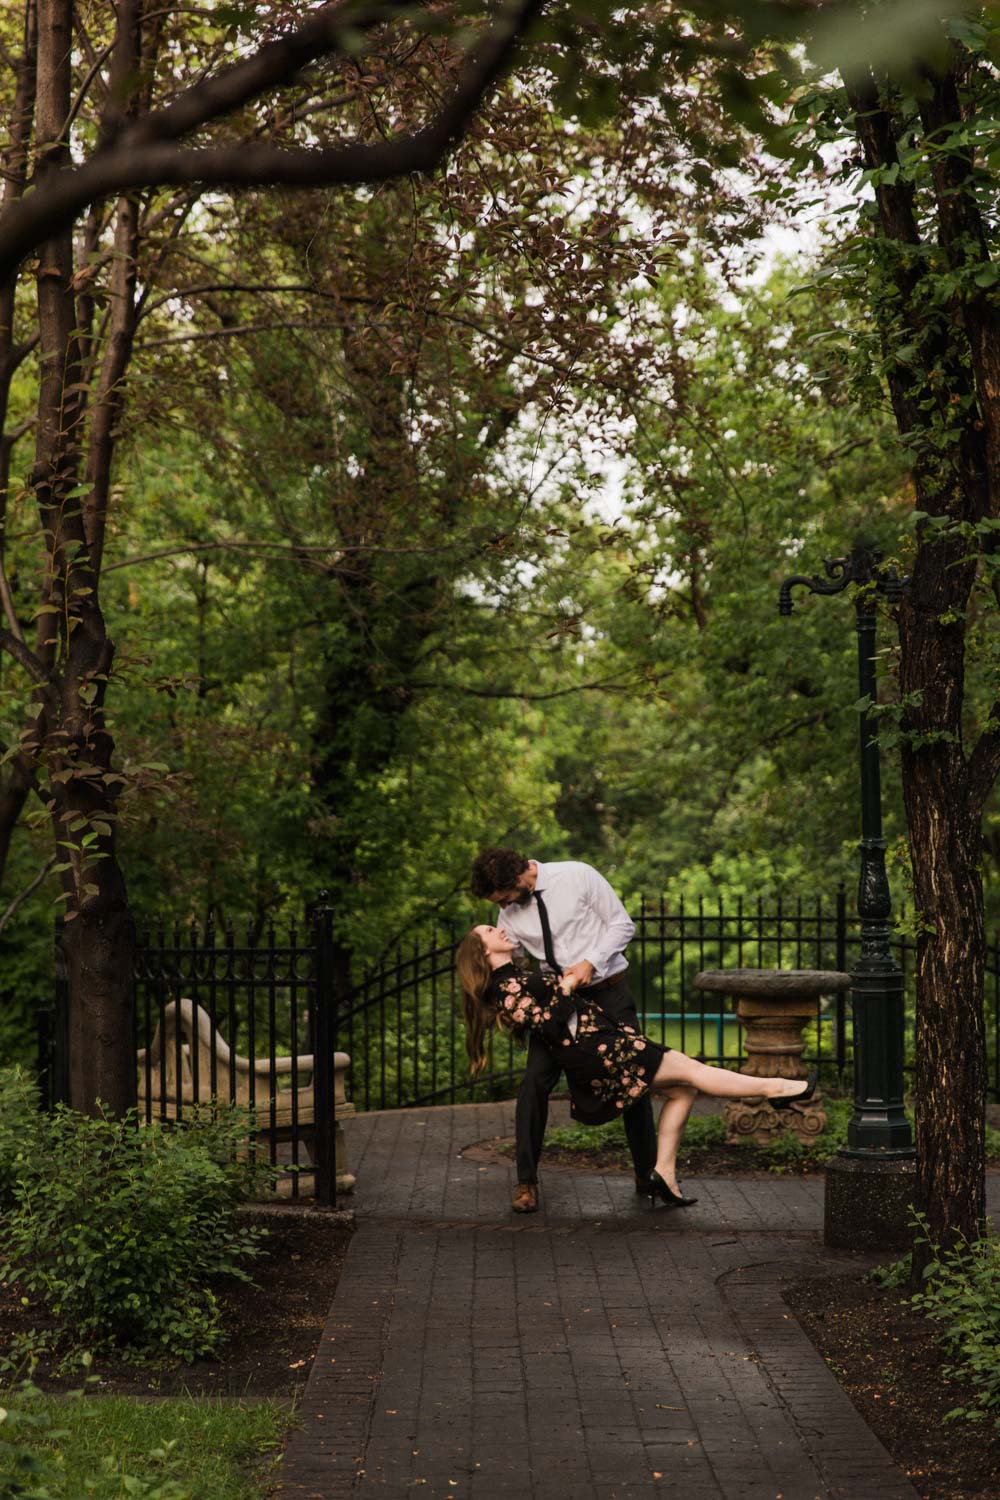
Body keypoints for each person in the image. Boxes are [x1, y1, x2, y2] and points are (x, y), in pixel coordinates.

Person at [456, 922, 817, 1209]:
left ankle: (664, 1173)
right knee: (694, 1072)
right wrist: (565, 987)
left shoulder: (516, 977)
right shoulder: (505, 989)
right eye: (490, 930)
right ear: (483, 951)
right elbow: (549, 1026)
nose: (500, 929)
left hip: (606, 1043)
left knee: (683, 1089)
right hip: (599, 1051)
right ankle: (780, 1088)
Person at [470, 846, 655, 1214]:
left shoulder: (578, 875)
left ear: (519, 875)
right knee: (534, 1084)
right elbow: (509, 961)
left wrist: (591, 962)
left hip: (608, 992)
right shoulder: (508, 913)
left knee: (637, 1078)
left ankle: (646, 1174)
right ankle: (526, 1182)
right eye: (498, 902)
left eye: (505, 896)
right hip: (559, 1007)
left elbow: (623, 924)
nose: (504, 906)